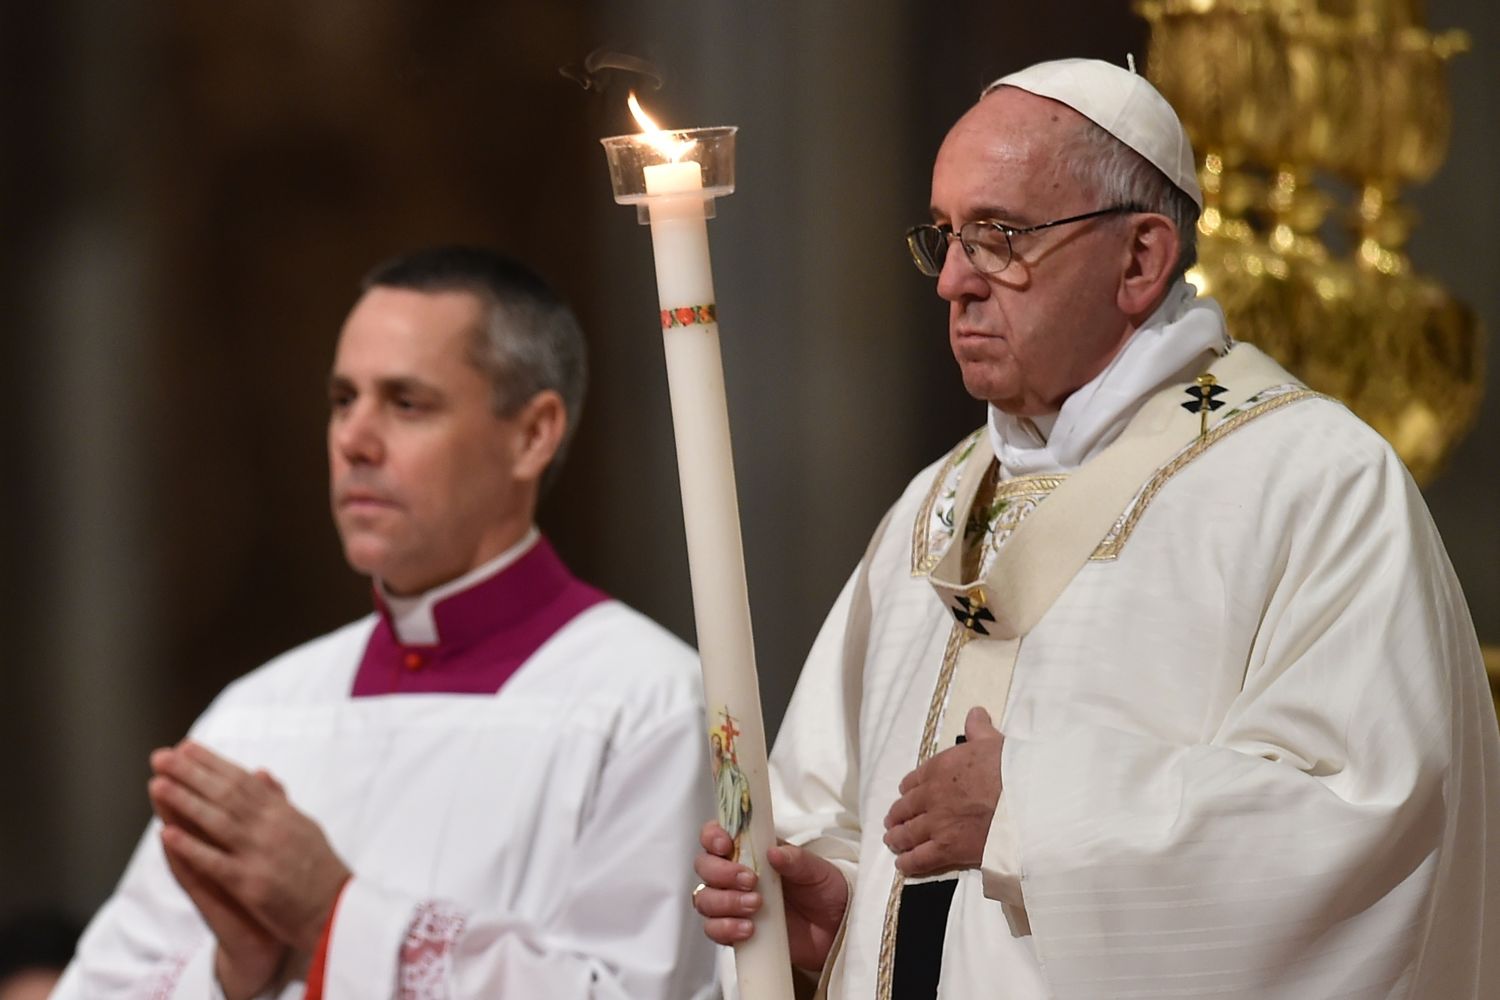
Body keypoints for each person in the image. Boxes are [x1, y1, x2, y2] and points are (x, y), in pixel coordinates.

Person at [693, 58, 1500, 999]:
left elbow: (1363, 832)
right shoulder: (940, 503)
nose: (953, 280)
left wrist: (1031, 809)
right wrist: (849, 912)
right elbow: (829, 804)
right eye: (946, 237)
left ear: (1141, 259)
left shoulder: (1312, 483)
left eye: (997, 236)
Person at [54, 246, 718, 999]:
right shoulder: (258, 716)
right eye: (343, 400)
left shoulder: (649, 706)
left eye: (407, 403)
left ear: (532, 433)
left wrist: (335, 913)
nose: (354, 440)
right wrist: (231, 973)